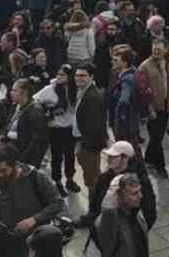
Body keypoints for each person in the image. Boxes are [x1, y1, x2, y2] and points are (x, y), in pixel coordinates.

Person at [0, 145, 63, 257]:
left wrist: (34, 219)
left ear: (15, 165)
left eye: (3, 171)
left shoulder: (36, 178)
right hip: (10, 244)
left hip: (37, 243)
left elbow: (57, 203)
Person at [74, 141, 157, 230]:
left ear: (125, 158)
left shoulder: (139, 181)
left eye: (114, 156)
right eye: (109, 156)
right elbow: (96, 205)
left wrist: (137, 233)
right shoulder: (104, 178)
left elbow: (149, 211)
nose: (109, 159)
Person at [33, 63, 79, 196]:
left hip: (70, 128)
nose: (59, 77)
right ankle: (57, 181)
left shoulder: (74, 89)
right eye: (58, 74)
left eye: (63, 75)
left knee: (70, 156)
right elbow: (35, 100)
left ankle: (70, 179)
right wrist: (48, 111)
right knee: (57, 156)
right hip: (55, 128)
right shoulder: (50, 89)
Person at [137, 38, 169, 177]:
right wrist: (150, 109)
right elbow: (142, 91)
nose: (156, 52)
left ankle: (148, 159)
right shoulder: (144, 66)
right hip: (153, 109)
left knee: (157, 137)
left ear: (166, 50)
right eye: (154, 49)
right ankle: (160, 166)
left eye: (159, 49)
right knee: (156, 137)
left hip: (167, 106)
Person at [73, 63, 107, 198]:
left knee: (92, 180)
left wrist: (83, 146)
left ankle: (94, 208)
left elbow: (94, 127)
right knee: (93, 176)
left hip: (89, 145)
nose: (78, 78)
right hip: (85, 142)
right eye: (76, 75)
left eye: (82, 75)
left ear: (91, 77)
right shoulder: (84, 91)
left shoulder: (92, 97)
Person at [96, 173, 149, 257]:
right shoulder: (109, 222)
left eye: (139, 191)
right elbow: (106, 250)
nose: (140, 196)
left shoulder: (136, 212)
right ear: (119, 195)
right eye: (134, 193)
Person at [1, 78, 49, 168]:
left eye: (14, 90)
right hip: (10, 148)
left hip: (24, 155)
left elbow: (37, 141)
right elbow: (8, 124)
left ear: (24, 92)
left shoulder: (35, 111)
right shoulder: (16, 105)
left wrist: (23, 160)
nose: (11, 93)